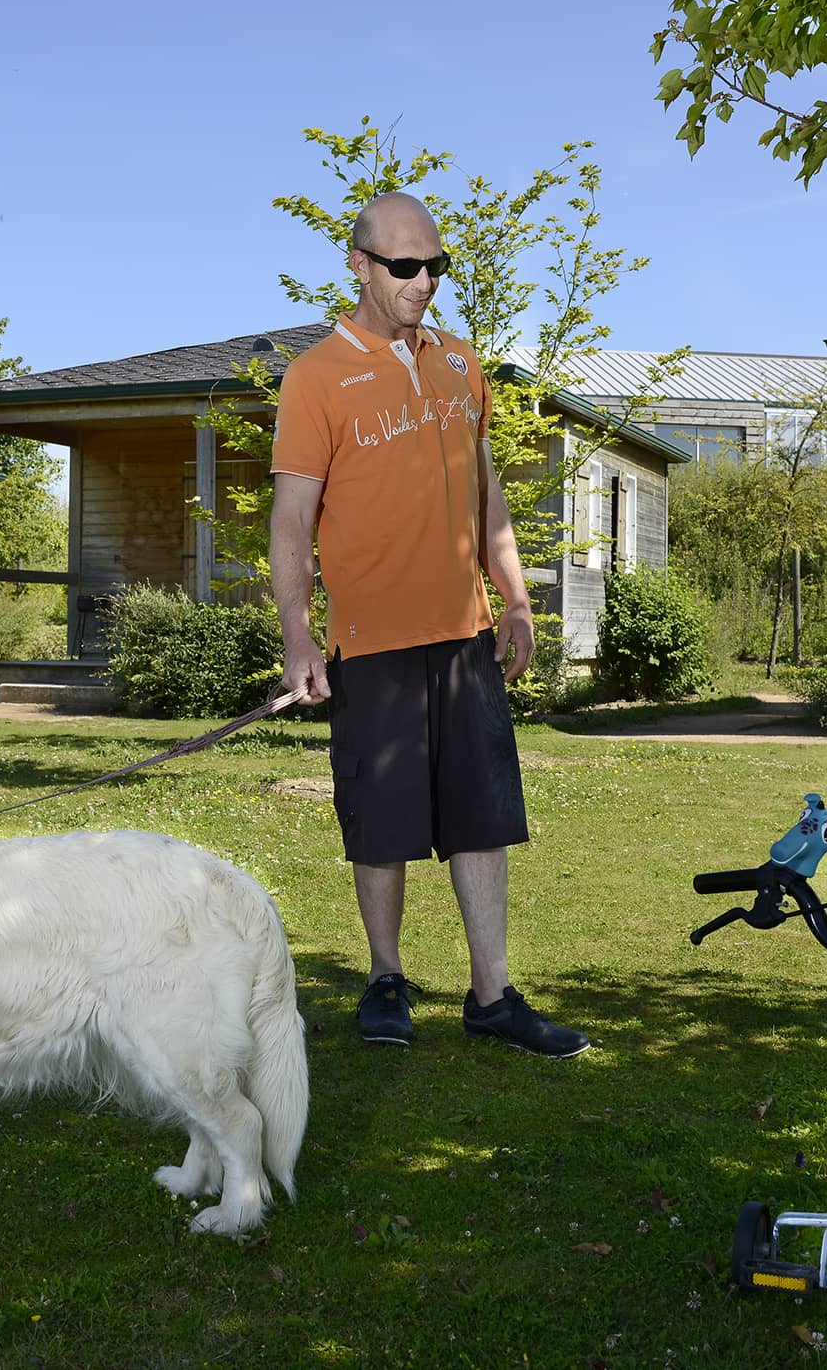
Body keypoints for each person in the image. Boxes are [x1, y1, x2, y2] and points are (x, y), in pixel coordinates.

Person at [268, 190, 589, 1059]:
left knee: (483, 817)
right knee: (384, 819)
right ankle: (385, 979)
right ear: (360, 265)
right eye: (404, 267)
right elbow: (292, 522)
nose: (423, 282)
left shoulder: (461, 363)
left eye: (435, 265)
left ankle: (492, 995)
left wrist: (514, 596)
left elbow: (488, 493)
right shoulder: (316, 378)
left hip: (463, 635)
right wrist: (299, 636)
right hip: (369, 641)